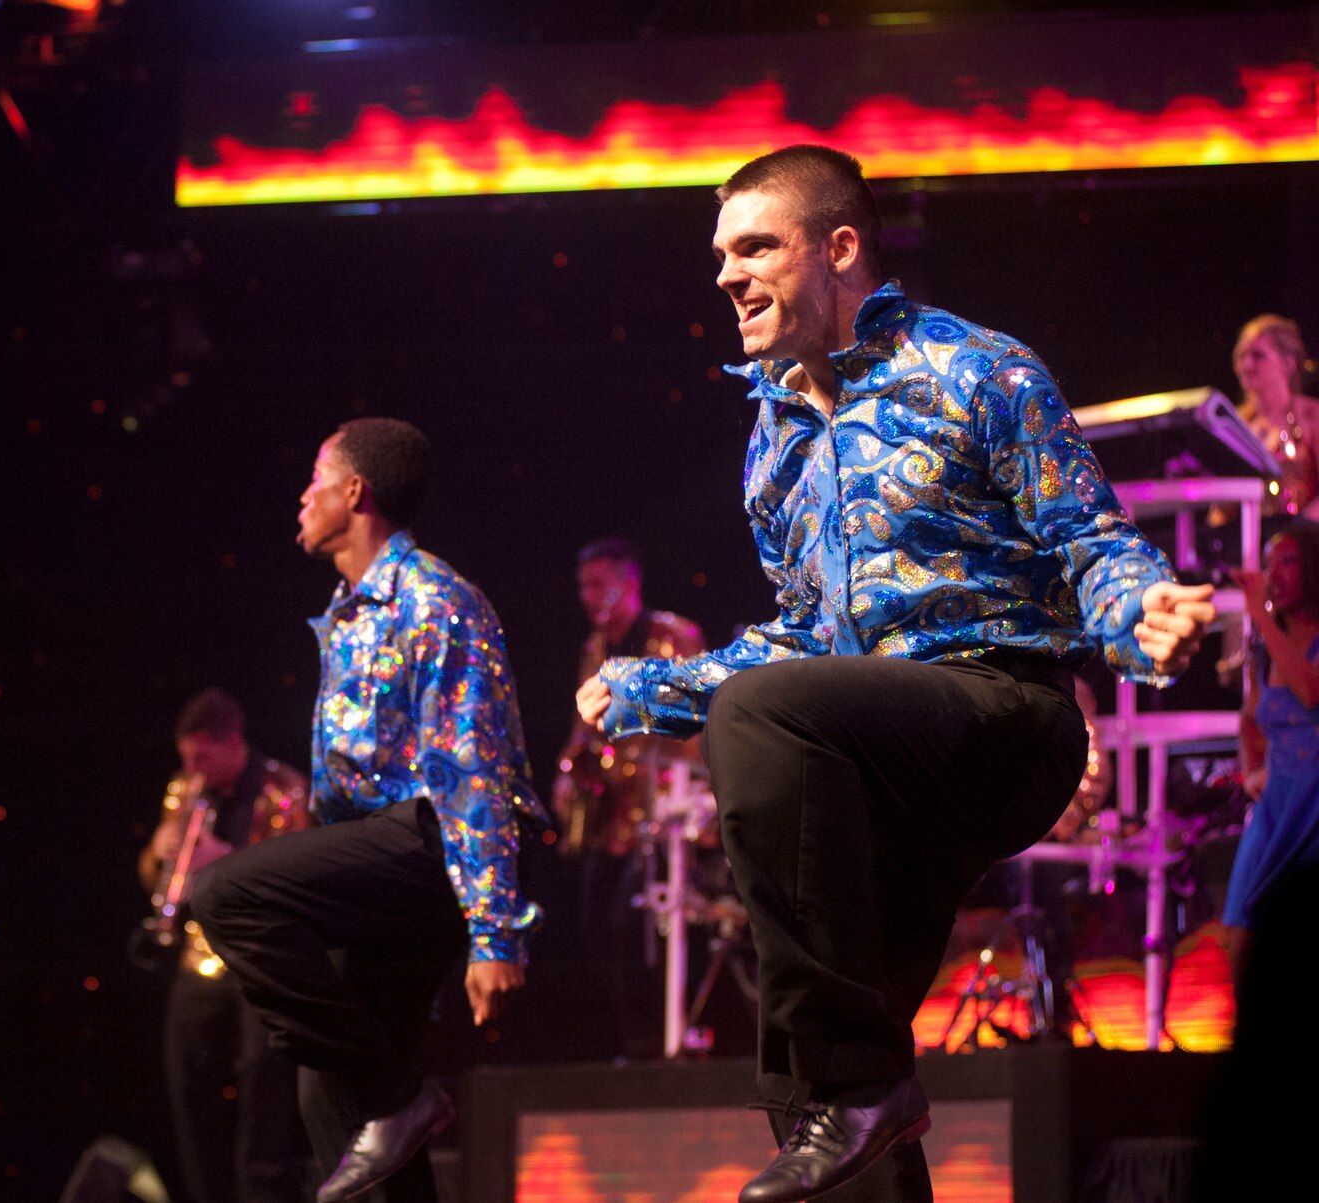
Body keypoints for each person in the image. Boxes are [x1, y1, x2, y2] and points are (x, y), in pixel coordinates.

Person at [575, 145, 1215, 1203]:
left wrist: (1137, 612)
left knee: (762, 735)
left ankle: (861, 1081)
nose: (726, 275)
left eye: (754, 247)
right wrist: (653, 687)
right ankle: (859, 1101)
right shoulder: (772, 436)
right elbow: (801, 637)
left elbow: (1088, 537)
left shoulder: (975, 367)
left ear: (838, 249)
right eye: (719, 254)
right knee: (805, 1067)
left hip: (1001, 715)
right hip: (871, 750)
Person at [193, 418, 547, 1203]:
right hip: (377, 855)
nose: (302, 493)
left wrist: (494, 932)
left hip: (427, 848)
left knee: (224, 892)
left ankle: (398, 1100)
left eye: (316, 476)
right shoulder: (351, 610)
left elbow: (474, 773)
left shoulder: (434, 600)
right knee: (329, 1094)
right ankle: (392, 1108)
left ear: (355, 491)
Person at [136, 688, 311, 1203]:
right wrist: (157, 852)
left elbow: (296, 882)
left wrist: (225, 862)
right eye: (186, 757)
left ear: (233, 742)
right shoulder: (186, 790)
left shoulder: (284, 790)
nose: (191, 769)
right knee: (186, 1080)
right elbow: (153, 876)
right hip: (200, 958)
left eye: (201, 757)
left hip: (261, 962)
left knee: (263, 1090)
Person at [553, 537, 706, 1055]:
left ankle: (654, 1043)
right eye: (583, 586)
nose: (588, 595)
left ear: (629, 583)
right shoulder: (597, 646)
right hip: (610, 815)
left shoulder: (670, 635)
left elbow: (691, 719)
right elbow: (586, 720)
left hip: (661, 813)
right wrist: (569, 769)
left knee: (634, 932)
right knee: (595, 926)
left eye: (598, 583)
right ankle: (630, 1040)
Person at [1222, 520, 1319, 982]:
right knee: (1240, 936)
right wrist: (1251, 771)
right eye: (1267, 564)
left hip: (1315, 807)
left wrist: (1256, 611)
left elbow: (1309, 690)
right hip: (1277, 805)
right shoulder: (1266, 649)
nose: (1273, 575)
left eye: (1288, 561)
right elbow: (1250, 722)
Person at [1231, 314, 1319, 517]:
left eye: (1258, 355)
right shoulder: (1237, 425)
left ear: (1289, 363)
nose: (1246, 366)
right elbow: (1222, 506)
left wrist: (1298, 531)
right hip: (1248, 541)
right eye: (1242, 356)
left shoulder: (1313, 415)